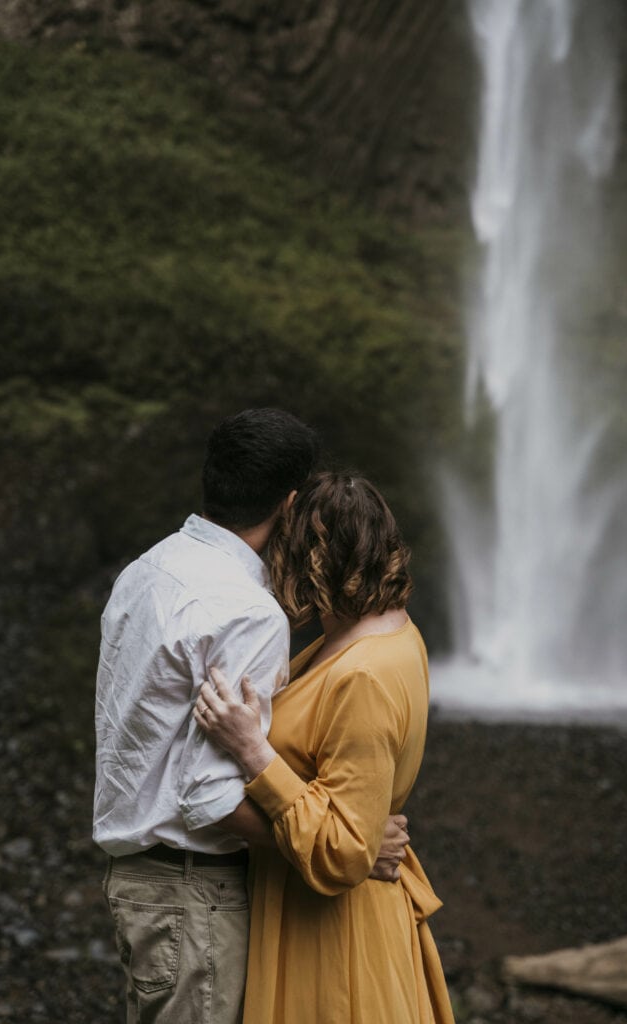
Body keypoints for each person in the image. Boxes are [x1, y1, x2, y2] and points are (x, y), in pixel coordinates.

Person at [93, 409, 409, 1024]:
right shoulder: (247, 612)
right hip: (196, 893)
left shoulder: (147, 570)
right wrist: (346, 850)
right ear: (290, 504)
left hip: (139, 882)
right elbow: (209, 800)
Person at [195, 471, 456, 1024]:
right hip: (311, 912)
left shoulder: (364, 672)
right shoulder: (372, 632)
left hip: (335, 936)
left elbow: (342, 851)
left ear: (308, 558)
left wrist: (253, 751)